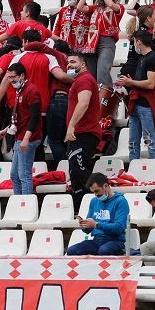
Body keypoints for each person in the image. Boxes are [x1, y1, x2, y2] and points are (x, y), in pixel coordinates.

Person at [120, 29, 155, 160]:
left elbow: (151, 84)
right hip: (136, 104)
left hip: (145, 105)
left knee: (149, 140)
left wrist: (131, 81)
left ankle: (154, 168)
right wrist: (129, 83)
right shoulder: (142, 58)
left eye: (134, 42)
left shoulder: (152, 58)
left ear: (138, 42)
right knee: (133, 142)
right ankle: (134, 170)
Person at [0, 62, 43, 195]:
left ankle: (26, 205)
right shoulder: (20, 90)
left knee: (24, 174)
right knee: (14, 175)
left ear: (22, 76)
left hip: (28, 138)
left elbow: (34, 117)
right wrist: (6, 129)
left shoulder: (32, 91)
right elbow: (20, 117)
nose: (11, 80)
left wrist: (26, 139)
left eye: (13, 77)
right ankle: (18, 203)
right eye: (9, 78)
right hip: (20, 136)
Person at [65, 52, 100, 203]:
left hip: (84, 132)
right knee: (75, 171)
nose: (69, 65)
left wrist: (71, 126)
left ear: (83, 64)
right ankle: (81, 207)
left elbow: (84, 103)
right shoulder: (79, 80)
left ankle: (98, 202)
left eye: (73, 62)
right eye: (68, 63)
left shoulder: (85, 79)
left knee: (80, 170)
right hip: (80, 133)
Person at [66, 173, 130, 255]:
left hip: (115, 241)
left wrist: (96, 225)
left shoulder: (120, 201)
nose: (95, 194)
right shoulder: (94, 201)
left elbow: (119, 228)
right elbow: (88, 230)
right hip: (97, 240)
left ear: (105, 186)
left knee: (104, 251)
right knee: (72, 251)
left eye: (97, 191)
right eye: (93, 192)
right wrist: (85, 225)